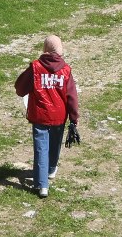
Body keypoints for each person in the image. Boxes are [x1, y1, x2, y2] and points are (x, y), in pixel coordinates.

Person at [13, 35, 80, 197]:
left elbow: (20, 88)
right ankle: (50, 170)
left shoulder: (35, 67)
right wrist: (74, 118)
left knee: (41, 148)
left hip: (40, 115)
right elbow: (72, 96)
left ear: (45, 49)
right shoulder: (66, 70)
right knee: (55, 144)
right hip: (59, 115)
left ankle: (42, 185)